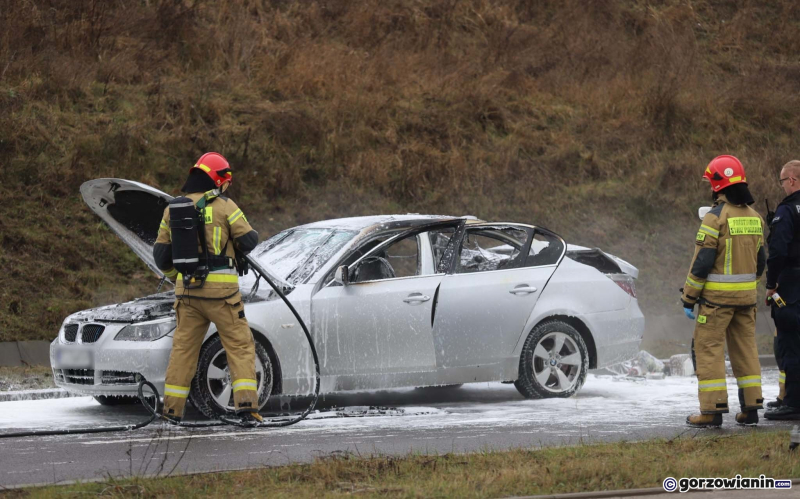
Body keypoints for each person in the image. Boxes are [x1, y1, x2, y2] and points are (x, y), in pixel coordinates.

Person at [153, 152, 261, 423]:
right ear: (217, 179)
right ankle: (247, 409)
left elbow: (160, 257)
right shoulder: (225, 206)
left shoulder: (171, 209)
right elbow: (249, 240)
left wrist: (177, 276)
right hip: (223, 296)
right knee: (239, 346)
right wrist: (232, 249)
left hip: (187, 295)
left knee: (183, 351)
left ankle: (171, 411)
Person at [681, 155, 766, 427]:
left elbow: (702, 263)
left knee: (708, 351)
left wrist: (688, 297)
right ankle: (750, 410)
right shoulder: (755, 218)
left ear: (718, 185)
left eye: (711, 183)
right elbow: (761, 262)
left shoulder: (714, 217)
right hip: (746, 300)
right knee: (746, 351)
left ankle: (712, 411)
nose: (709, 187)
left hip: (716, 304)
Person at [765, 160, 800, 420]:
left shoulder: (787, 210)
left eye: (782, 181)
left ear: (792, 180)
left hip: (792, 283)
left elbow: (778, 251)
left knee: (790, 342)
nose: (782, 186)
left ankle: (794, 402)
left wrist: (771, 283)